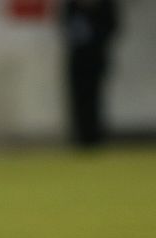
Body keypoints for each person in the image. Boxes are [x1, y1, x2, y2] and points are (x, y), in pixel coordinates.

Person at [61, 0, 118, 147]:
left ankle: (95, 137)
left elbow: (112, 27)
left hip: (96, 57)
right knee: (78, 98)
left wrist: (94, 36)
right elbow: (66, 25)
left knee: (95, 97)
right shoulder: (73, 4)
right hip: (78, 59)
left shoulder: (105, 5)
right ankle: (81, 137)